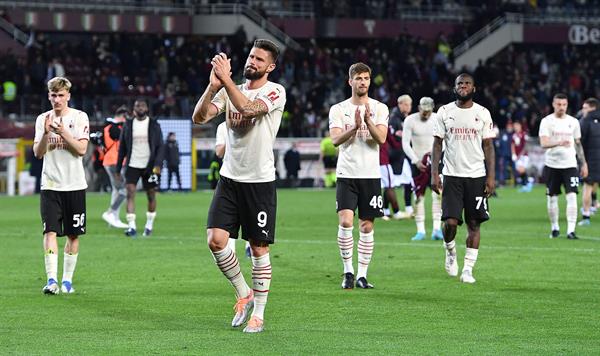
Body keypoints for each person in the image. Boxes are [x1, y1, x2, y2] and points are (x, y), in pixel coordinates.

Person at [192, 39, 286, 333]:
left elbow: (247, 109)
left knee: (258, 250)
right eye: (250, 56)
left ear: (270, 67)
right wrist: (212, 86)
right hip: (230, 179)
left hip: (259, 182)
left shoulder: (275, 91)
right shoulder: (233, 90)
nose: (252, 62)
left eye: (259, 59)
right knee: (215, 240)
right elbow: (199, 118)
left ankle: (258, 313)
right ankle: (244, 293)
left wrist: (227, 81)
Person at [431, 73, 495, 284]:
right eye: (460, 83)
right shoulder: (444, 111)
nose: (463, 86)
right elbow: (437, 144)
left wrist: (491, 177)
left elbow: (488, 146)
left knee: (474, 224)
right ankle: (449, 250)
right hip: (451, 175)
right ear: (454, 87)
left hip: (476, 176)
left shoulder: (483, 113)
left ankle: (467, 269)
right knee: (450, 223)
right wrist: (434, 174)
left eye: (467, 83)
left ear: (474, 88)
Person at [329, 62, 388, 290]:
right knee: (345, 222)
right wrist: (354, 127)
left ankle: (362, 274)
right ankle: (348, 271)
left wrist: (367, 121)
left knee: (366, 227)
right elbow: (335, 140)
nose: (362, 82)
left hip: (371, 175)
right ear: (350, 81)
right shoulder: (338, 109)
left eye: (366, 78)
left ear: (369, 81)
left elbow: (381, 139)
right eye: (358, 78)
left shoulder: (379, 108)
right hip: (347, 173)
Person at [33, 76, 89, 294]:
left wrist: (62, 132)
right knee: (50, 232)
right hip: (50, 185)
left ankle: (67, 281)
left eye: (61, 95)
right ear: (49, 96)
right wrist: (47, 133)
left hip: (74, 184)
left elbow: (81, 150)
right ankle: (51, 281)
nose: (57, 100)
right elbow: (38, 153)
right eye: (53, 95)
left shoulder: (79, 117)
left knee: (73, 235)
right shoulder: (42, 119)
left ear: (68, 96)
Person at [539, 93, 588, 239]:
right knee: (552, 198)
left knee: (572, 196)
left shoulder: (573, 122)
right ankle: (555, 228)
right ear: (553, 105)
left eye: (564, 105)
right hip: (552, 165)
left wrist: (584, 163)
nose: (561, 107)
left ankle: (571, 231)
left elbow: (578, 144)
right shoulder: (547, 121)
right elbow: (543, 143)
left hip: (570, 165)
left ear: (567, 105)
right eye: (558, 104)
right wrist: (559, 142)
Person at [116, 99, 165, 237]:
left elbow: (161, 146)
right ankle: (131, 227)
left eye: (143, 105)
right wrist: (118, 169)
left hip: (150, 166)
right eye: (137, 105)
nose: (140, 108)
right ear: (134, 109)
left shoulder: (154, 124)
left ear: (147, 108)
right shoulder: (128, 125)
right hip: (132, 164)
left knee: (151, 195)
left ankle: (149, 225)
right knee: (130, 193)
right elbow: (122, 148)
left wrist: (158, 165)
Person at [402, 97, 443, 241]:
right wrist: (415, 160)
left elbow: (444, 140)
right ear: (419, 108)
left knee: (437, 194)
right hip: (418, 162)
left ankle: (437, 229)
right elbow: (405, 144)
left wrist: (437, 155)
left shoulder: (438, 118)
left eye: (428, 111)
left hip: (435, 162)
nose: (426, 114)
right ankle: (420, 230)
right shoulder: (410, 121)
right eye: (424, 111)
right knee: (418, 196)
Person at [101, 106, 129, 228]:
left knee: (116, 190)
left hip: (111, 161)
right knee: (124, 191)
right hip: (114, 162)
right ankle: (110, 213)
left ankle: (114, 219)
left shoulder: (108, 127)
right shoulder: (113, 127)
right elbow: (118, 135)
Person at [389, 94, 413, 217]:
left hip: (402, 155)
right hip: (394, 155)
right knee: (390, 184)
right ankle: (387, 210)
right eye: (408, 104)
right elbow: (392, 135)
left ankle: (408, 208)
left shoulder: (405, 118)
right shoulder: (393, 118)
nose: (409, 107)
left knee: (407, 181)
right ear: (401, 104)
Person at [379, 111, 405, 221]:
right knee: (389, 186)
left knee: (377, 188)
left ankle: (383, 211)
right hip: (382, 162)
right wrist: (405, 138)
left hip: (370, 162)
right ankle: (396, 211)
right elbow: (394, 143)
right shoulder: (384, 127)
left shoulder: (368, 126)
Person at [578, 98, 600, 226]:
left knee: (587, 187)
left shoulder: (584, 122)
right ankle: (594, 204)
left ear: (592, 108)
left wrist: (581, 162)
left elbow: (580, 142)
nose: (583, 110)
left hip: (590, 160)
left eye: (585, 108)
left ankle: (586, 217)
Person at [512, 120, 533, 192]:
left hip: (524, 155)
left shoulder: (524, 134)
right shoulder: (514, 135)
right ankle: (526, 183)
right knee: (519, 170)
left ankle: (528, 182)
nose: (515, 127)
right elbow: (512, 145)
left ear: (520, 126)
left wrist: (520, 155)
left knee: (522, 170)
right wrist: (513, 154)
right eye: (514, 126)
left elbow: (526, 145)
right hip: (517, 156)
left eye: (517, 126)